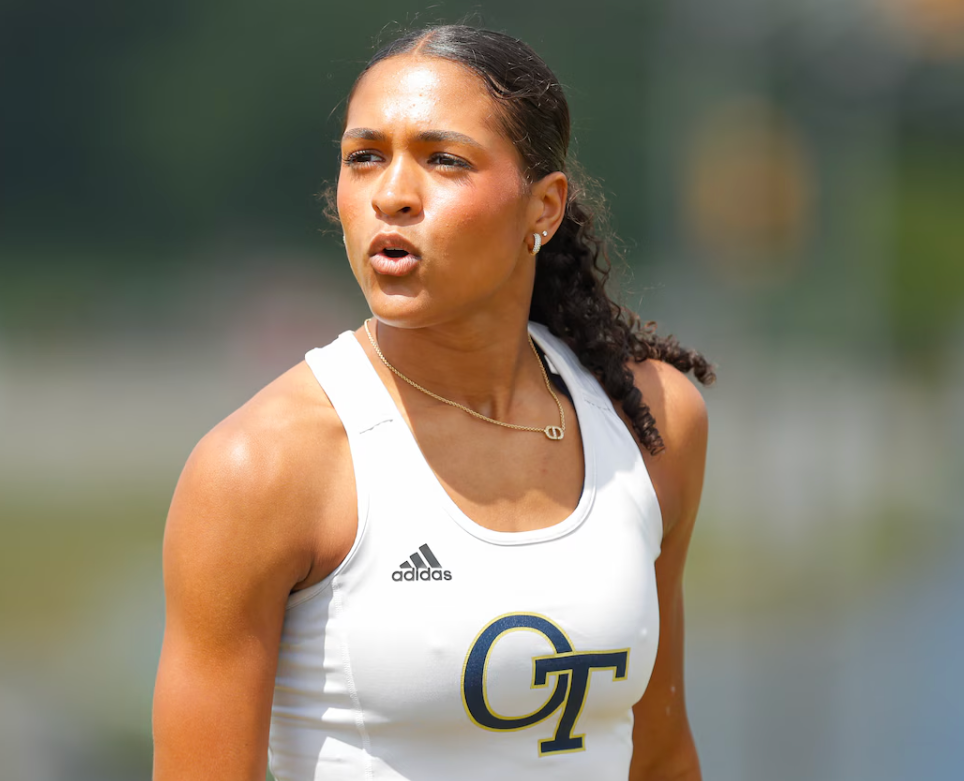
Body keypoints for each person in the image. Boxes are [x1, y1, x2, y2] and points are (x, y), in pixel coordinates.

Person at [152, 24, 714, 781]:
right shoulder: (260, 467)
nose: (392, 194)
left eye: (443, 159)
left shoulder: (653, 424)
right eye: (365, 158)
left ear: (542, 209)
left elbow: (660, 757)